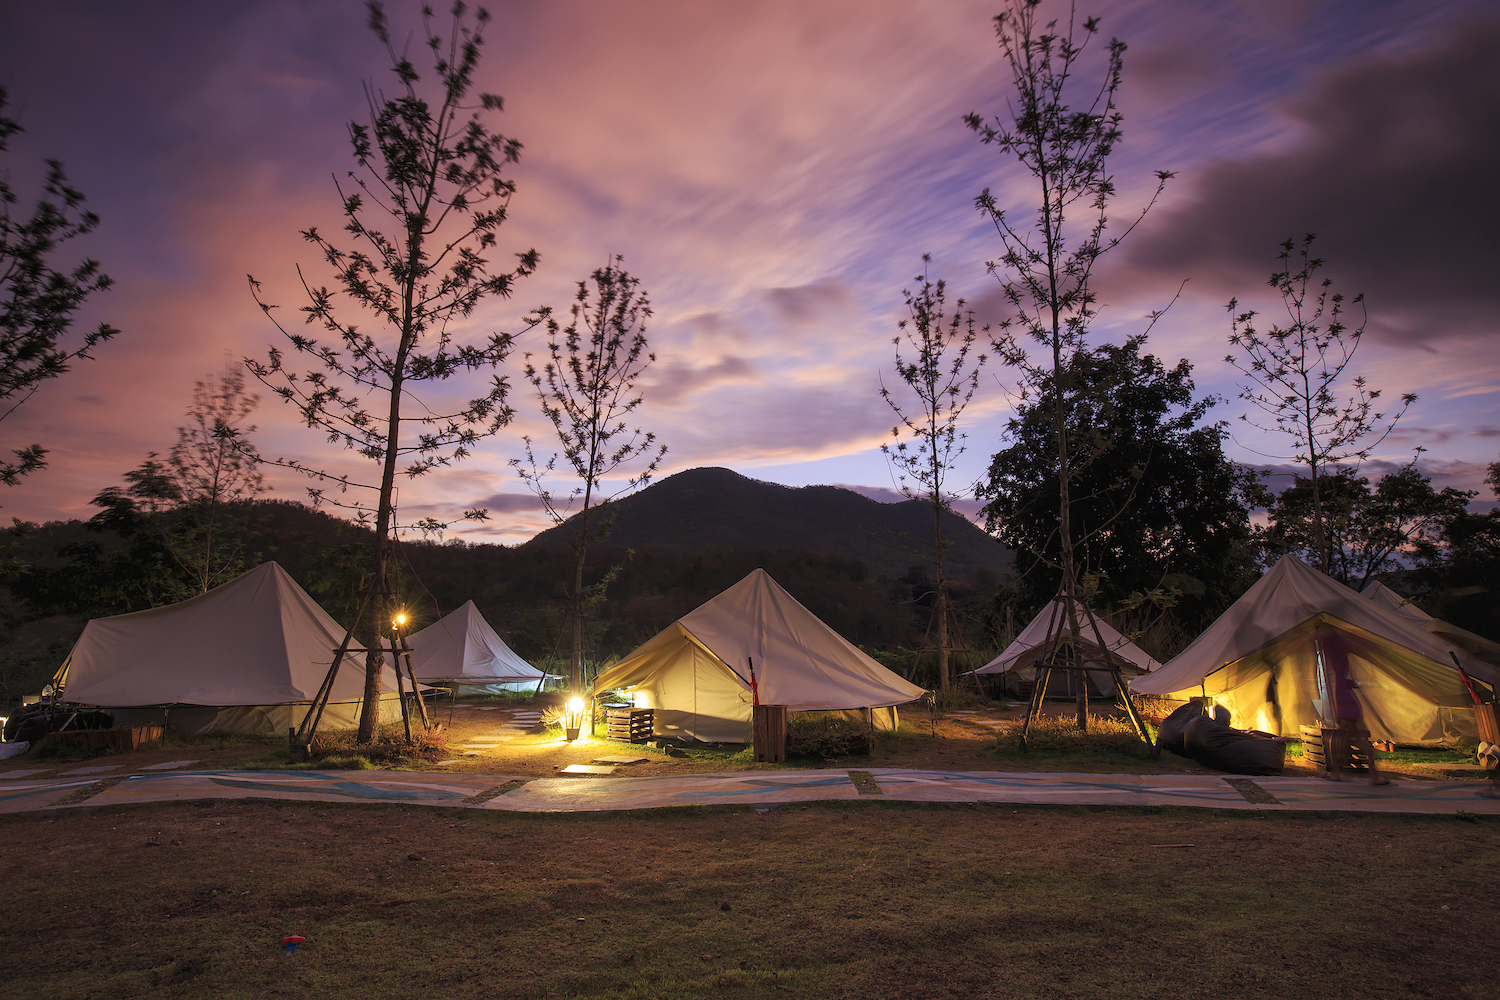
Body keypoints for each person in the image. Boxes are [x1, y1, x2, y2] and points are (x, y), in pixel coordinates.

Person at [1317, 630, 1388, 786]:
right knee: (1349, 735)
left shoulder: (1333, 642)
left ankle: (1342, 772)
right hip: (1345, 696)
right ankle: (1369, 774)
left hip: (1343, 696)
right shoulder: (1336, 643)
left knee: (1347, 735)